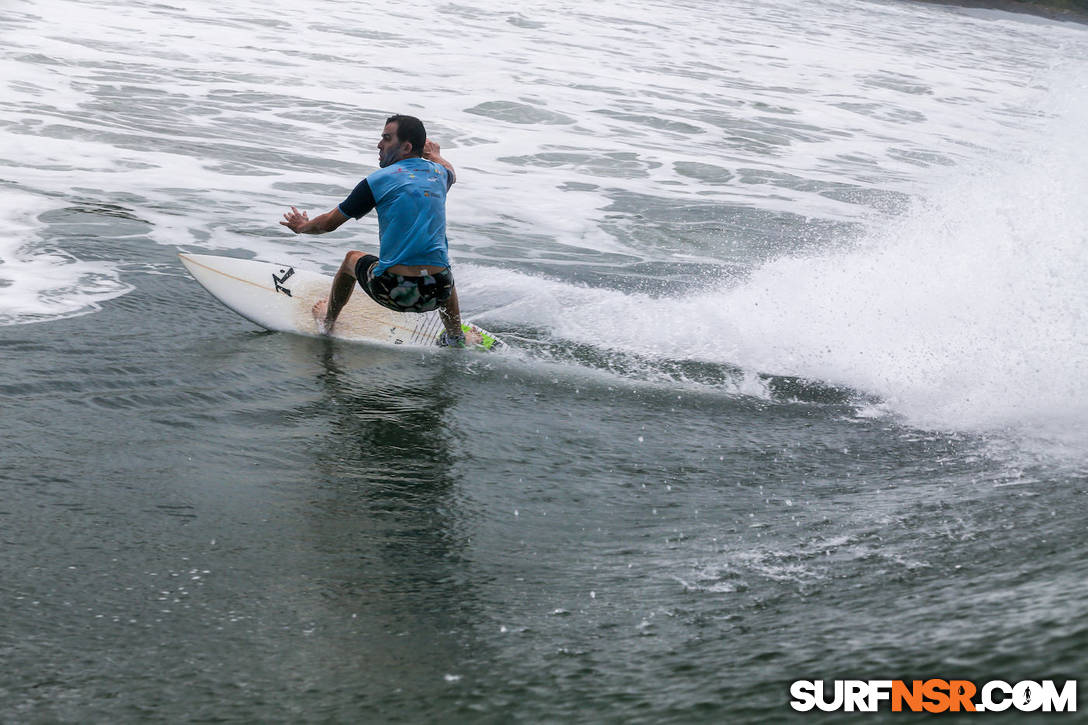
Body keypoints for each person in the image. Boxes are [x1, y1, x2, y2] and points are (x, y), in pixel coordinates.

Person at [279, 114, 466, 347]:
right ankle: (456, 336)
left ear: (406, 147)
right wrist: (436, 155)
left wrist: (301, 226)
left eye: (386, 139)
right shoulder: (438, 175)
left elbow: (328, 223)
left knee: (350, 260)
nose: (379, 145)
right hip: (438, 292)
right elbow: (451, 172)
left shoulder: (378, 181)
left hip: (393, 290)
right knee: (440, 265)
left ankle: (327, 322)